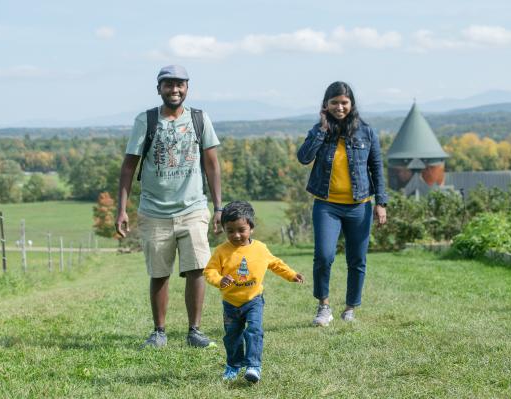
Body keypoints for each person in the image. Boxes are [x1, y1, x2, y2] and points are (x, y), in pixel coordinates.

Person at [116, 65, 222, 348]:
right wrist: (122, 209)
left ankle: (194, 331)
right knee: (159, 272)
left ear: (187, 87)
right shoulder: (146, 120)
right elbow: (128, 168)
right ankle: (159, 332)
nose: (174, 90)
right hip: (154, 211)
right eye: (168, 85)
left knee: (197, 268)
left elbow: (212, 165)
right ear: (159, 88)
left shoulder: (200, 119)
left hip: (193, 207)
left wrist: (219, 206)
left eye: (180, 84)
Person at [297, 81, 387, 326]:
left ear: (352, 104)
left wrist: (381, 202)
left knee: (357, 259)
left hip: (360, 206)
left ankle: (350, 308)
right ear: (326, 105)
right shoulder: (319, 130)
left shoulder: (366, 132)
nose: (339, 107)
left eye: (344, 102)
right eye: (334, 102)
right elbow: (304, 157)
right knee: (324, 256)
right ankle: (323, 307)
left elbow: (376, 168)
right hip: (327, 205)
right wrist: (322, 130)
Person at [203, 201, 304, 383]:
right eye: (230, 230)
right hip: (231, 303)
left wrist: (291, 275)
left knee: (254, 331)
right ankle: (233, 365)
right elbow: (209, 271)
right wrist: (220, 280)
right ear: (224, 229)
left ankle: (253, 366)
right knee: (232, 337)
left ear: (251, 228)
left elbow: (275, 264)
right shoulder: (221, 251)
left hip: (253, 300)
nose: (236, 235)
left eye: (241, 229)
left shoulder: (260, 249)